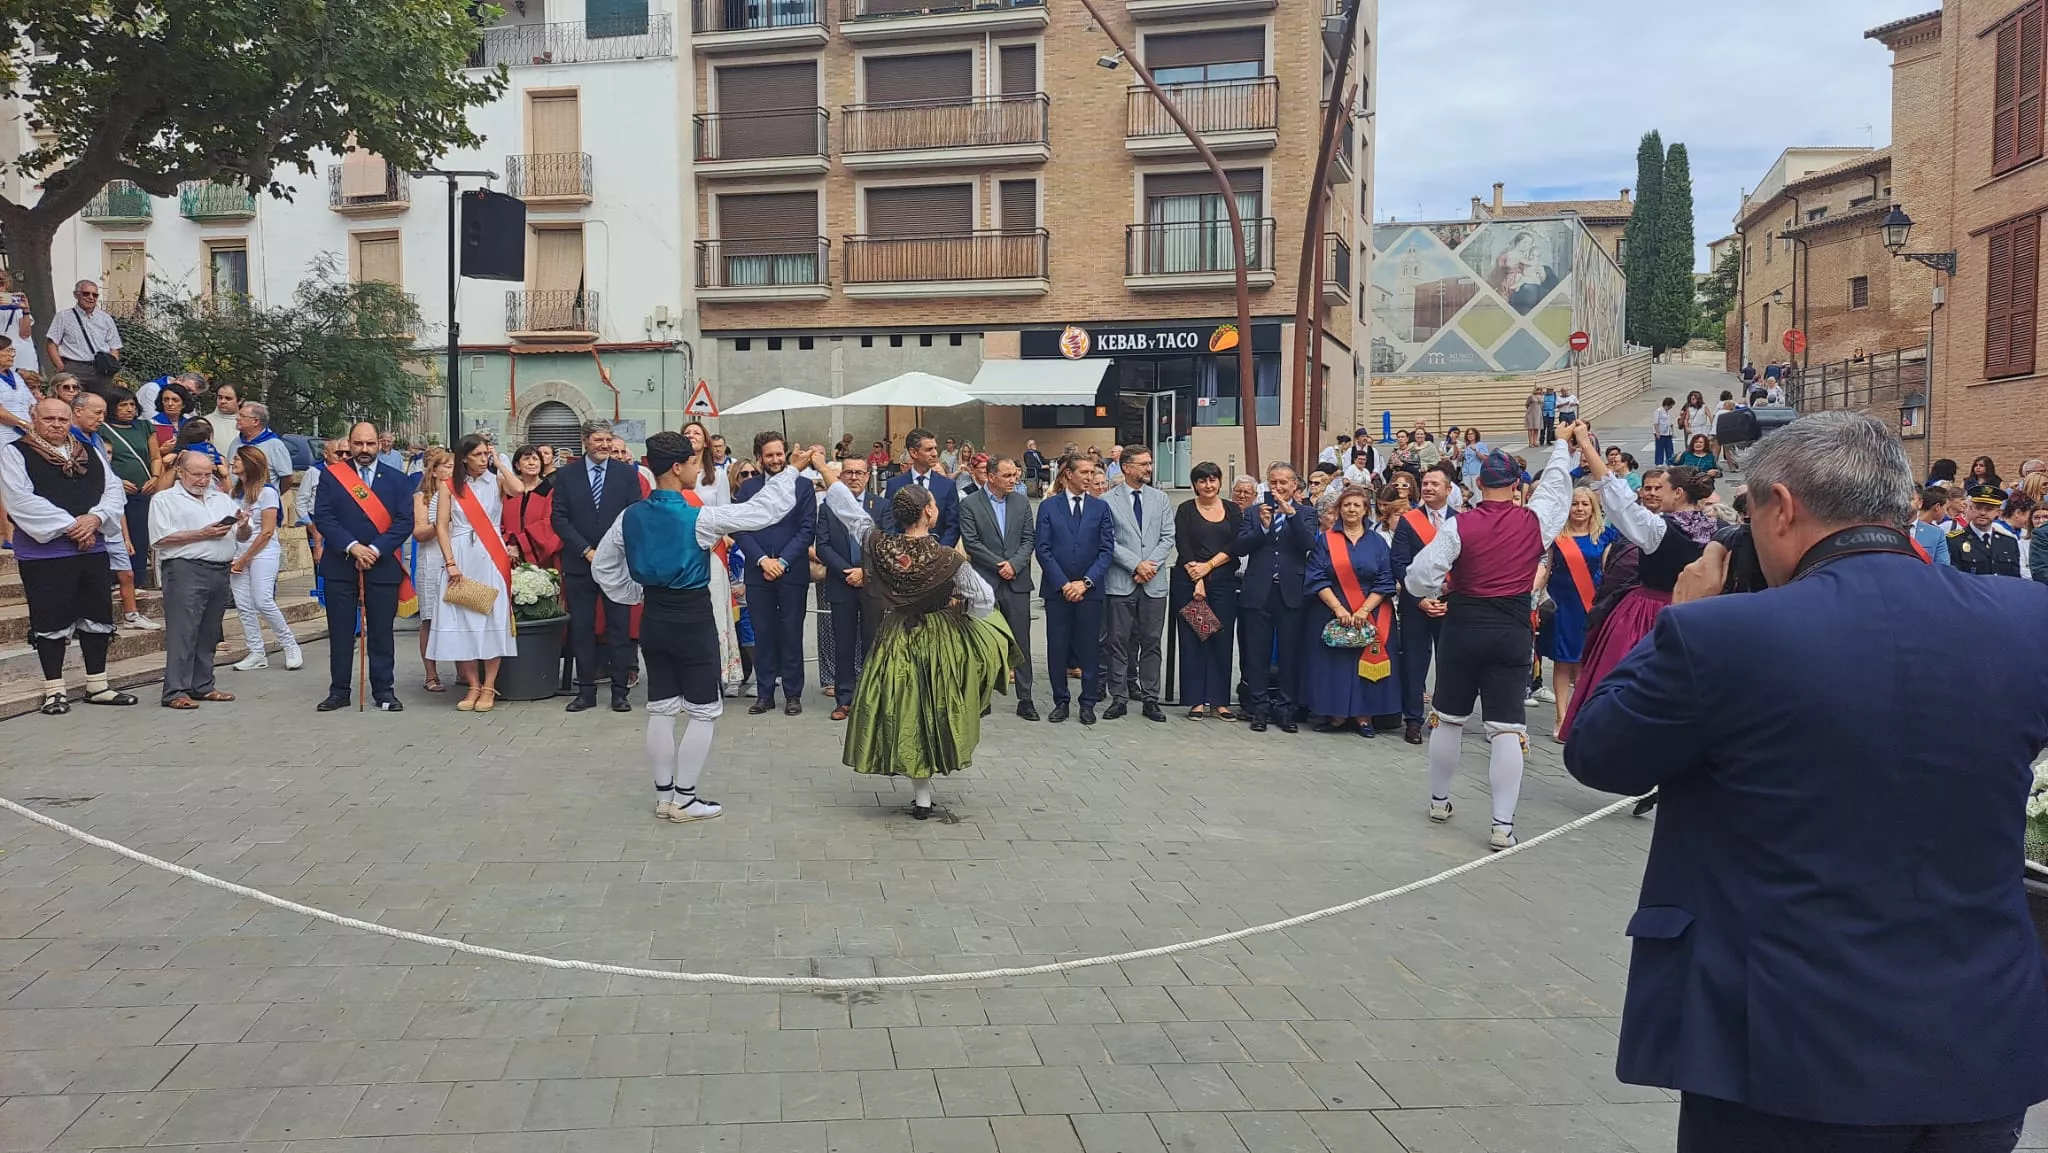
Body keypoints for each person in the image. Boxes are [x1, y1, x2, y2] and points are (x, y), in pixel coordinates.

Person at [1567, 411, 2048, 1153]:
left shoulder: (1724, 635)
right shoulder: (2026, 619)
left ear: (1783, 506)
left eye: (1751, 512)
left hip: (1789, 1053)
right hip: (1979, 1043)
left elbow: (1599, 750)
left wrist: (1682, 616)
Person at [592, 434, 819, 824]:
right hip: (692, 617)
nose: (699, 469)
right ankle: (685, 798)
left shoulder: (629, 516)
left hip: (654, 616)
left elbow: (604, 567)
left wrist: (634, 594)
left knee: (662, 707)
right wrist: (791, 473)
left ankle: (665, 796)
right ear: (678, 468)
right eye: (695, 462)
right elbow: (763, 511)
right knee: (703, 710)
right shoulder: (700, 517)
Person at [816, 458, 1018, 820]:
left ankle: (920, 794)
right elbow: (984, 598)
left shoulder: (878, 543)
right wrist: (969, 626)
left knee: (902, 709)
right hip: (938, 639)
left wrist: (823, 469)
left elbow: (849, 511)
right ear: (928, 511)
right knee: (933, 707)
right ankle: (925, 794)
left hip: (894, 636)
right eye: (934, 504)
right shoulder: (947, 559)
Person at [1405, 434, 1576, 850]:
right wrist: (1562, 446)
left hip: (1464, 626)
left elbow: (1419, 574)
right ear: (1516, 486)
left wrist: (1433, 591)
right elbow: (1556, 488)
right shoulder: (1535, 521)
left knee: (1449, 717)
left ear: (1478, 485)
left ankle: (1439, 800)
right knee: (1506, 727)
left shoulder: (1458, 524)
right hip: (1512, 629)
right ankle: (1502, 825)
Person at [1558, 454, 1718, 747]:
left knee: (1624, 678)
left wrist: (1584, 444)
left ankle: (1620, 741)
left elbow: (1617, 500)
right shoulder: (1714, 527)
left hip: (1649, 610)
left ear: (1678, 493)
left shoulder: (1659, 528)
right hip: (1699, 612)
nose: (1655, 493)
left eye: (1663, 488)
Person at [1, 397, 137, 712]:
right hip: (45, 553)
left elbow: (113, 489)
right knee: (50, 618)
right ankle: (55, 690)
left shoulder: (89, 450)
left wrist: (96, 519)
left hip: (92, 548)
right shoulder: (15, 452)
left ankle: (98, 685)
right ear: (34, 417)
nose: (57, 425)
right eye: (49, 419)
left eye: (62, 420)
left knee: (96, 614)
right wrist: (71, 526)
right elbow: (20, 499)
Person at [311, 421, 415, 712]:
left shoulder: (397, 479)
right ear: (350, 444)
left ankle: (384, 691)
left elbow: (404, 521)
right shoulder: (332, 477)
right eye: (358, 444)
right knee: (341, 631)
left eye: (370, 444)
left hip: (381, 565)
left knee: (381, 632)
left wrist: (374, 549)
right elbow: (324, 516)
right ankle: (339, 690)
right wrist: (352, 546)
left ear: (380, 443)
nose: (364, 450)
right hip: (340, 563)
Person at [427, 433, 528, 712]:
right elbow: (442, 526)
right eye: (478, 455)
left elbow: (519, 489)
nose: (483, 459)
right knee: (464, 620)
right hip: (460, 554)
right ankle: (472, 684)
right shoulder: (449, 486)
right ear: (464, 458)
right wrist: (450, 563)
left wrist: (499, 463)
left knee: (492, 617)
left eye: (486, 454)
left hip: (491, 555)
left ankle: (489, 686)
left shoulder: (496, 481)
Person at [552, 420, 646, 713]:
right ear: (585, 441)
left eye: (608, 440)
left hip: (616, 563)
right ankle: (586, 691)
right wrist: (585, 550)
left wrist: (609, 552)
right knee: (582, 628)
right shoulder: (567, 475)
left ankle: (620, 692)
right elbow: (559, 518)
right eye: (598, 440)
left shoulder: (625, 475)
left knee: (619, 628)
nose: (604, 445)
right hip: (581, 563)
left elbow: (634, 515)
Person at [148, 449, 245, 709]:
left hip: (219, 568)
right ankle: (175, 690)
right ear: (181, 472)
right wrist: (202, 534)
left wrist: (243, 524)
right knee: (183, 631)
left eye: (208, 474)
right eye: (197, 475)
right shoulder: (165, 499)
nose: (203, 480)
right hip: (185, 568)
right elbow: (160, 538)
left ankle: (202, 685)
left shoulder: (221, 498)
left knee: (209, 631)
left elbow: (242, 536)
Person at [1303, 484, 1400, 736]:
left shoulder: (1378, 542)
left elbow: (1386, 579)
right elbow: (1315, 577)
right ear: (1338, 509)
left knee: (1364, 664)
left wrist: (1363, 611)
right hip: (1333, 611)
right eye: (1347, 505)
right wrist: (1339, 609)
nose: (1351, 509)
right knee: (1336, 664)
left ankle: (1364, 717)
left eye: (1357, 505)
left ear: (1366, 509)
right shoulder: (1325, 541)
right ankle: (1335, 715)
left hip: (1372, 612)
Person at [735, 431, 816, 716]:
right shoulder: (748, 488)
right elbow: (739, 527)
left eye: (779, 454)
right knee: (763, 632)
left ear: (787, 455)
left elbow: (807, 530)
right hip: (758, 574)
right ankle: (765, 693)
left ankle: (793, 694)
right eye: (769, 455)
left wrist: (782, 561)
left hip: (792, 572)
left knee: (791, 632)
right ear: (760, 458)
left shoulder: (803, 487)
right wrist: (761, 560)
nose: (775, 459)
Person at [1235, 461, 1315, 733]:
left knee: (1290, 655)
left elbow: (1309, 544)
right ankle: (1259, 708)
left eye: (1284, 483)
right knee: (1256, 654)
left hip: (1291, 593)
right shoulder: (1255, 512)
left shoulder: (1305, 512)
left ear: (1294, 485)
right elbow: (1241, 546)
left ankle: (1285, 708)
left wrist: (1290, 514)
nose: (1278, 488)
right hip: (1260, 591)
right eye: (1273, 482)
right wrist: (1264, 528)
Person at [1036, 452, 1114, 725]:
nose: (1090, 478)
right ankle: (1061, 700)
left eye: (1093, 473)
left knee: (1089, 647)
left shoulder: (1100, 508)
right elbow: (1043, 549)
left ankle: (1088, 702)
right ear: (1068, 474)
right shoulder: (1048, 507)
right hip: (1058, 590)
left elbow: (1106, 550)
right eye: (1085, 473)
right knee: (1057, 647)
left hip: (1089, 591)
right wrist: (1064, 584)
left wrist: (1086, 582)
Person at [1536, 486, 1619, 740]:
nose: (1580, 509)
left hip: (1590, 604)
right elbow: (1545, 569)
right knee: (1562, 662)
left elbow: (1609, 572)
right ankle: (1561, 718)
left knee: (1585, 662)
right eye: (1575, 504)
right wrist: (1532, 596)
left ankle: (1580, 717)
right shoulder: (1557, 535)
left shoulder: (1604, 535)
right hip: (1562, 605)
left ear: (1593, 508)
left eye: (1585, 504)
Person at [960, 454, 1039, 721]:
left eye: (1015, 475)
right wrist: (998, 564)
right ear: (990, 476)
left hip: (1016, 581)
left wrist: (1014, 565)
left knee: (1022, 641)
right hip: (986, 582)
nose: (1013, 480)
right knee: (984, 641)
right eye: (1007, 475)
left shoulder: (1021, 501)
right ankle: (983, 698)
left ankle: (1025, 698)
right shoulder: (971, 504)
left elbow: (1029, 538)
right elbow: (971, 543)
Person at [1100, 445, 1174, 723]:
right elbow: (1109, 540)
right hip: (1121, 581)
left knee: (1151, 641)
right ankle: (1118, 697)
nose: (1148, 468)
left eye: (1149, 463)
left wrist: (1150, 565)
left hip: (1153, 582)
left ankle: (1150, 697)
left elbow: (1168, 536)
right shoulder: (1107, 501)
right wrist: (1135, 564)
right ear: (1126, 467)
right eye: (1143, 464)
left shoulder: (1161, 499)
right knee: (1118, 641)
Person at [68, 393, 151, 632]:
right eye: (97, 413)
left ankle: (128, 615)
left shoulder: (96, 437)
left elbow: (109, 481)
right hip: (83, 517)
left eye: (104, 413)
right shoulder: (69, 439)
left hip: (107, 514)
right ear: (78, 411)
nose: (101, 419)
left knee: (123, 572)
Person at [1391, 462, 1459, 744]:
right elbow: (1398, 563)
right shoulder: (1409, 521)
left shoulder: (1461, 519)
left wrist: (1450, 593)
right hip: (1415, 606)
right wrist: (1419, 599)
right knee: (1414, 663)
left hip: (1449, 605)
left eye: (1435, 484)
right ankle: (1413, 720)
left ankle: (1444, 717)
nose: (1429, 488)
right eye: (1426, 484)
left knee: (1450, 664)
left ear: (1448, 488)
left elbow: (1468, 563)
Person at [219, 444, 302, 672]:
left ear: (250, 463)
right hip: (239, 550)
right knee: (244, 605)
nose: (232, 462)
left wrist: (245, 559)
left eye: (237, 459)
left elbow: (266, 531)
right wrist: (242, 530)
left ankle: (290, 644)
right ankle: (256, 651)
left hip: (263, 551)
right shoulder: (234, 494)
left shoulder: (267, 493)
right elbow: (240, 531)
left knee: (263, 600)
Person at [1171, 461, 1241, 721]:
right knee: (1194, 641)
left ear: (1220, 482)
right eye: (1202, 481)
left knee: (1220, 640)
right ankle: (1196, 701)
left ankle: (1220, 702)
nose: (1208, 485)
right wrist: (1197, 578)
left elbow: (1237, 544)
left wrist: (1209, 567)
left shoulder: (1232, 510)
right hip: (1190, 584)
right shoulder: (1186, 509)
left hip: (1223, 582)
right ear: (1195, 485)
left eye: (1212, 479)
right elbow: (1183, 544)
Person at [815, 453, 880, 722]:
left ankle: (871, 699)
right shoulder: (828, 506)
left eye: (859, 472)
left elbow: (885, 542)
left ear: (867, 476)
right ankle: (845, 700)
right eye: (849, 473)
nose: (854, 477)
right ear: (841, 477)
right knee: (842, 644)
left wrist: (865, 573)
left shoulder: (881, 505)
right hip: (842, 584)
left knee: (872, 643)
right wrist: (847, 573)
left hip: (872, 586)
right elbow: (823, 546)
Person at [101, 386, 159, 594]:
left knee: (140, 534)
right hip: (117, 489)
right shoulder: (103, 429)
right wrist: (118, 481)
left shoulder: (144, 426)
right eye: (123, 405)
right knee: (117, 534)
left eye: (132, 404)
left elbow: (155, 456)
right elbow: (102, 459)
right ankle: (116, 579)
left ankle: (138, 579)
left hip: (143, 489)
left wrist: (155, 477)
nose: (129, 409)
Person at [411, 448, 452, 693]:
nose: (450, 470)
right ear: (434, 471)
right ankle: (431, 673)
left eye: (453, 466)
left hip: (455, 556)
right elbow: (419, 532)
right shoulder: (422, 497)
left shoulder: (461, 493)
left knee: (459, 611)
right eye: (446, 466)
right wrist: (441, 521)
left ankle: (462, 670)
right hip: (432, 556)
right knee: (429, 616)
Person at [43, 280, 122, 397]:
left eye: (95, 295)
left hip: (100, 369)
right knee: (71, 402)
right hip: (73, 367)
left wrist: (110, 365)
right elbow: (51, 343)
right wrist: (61, 367)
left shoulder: (106, 318)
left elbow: (114, 345)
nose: (91, 297)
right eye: (86, 293)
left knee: (101, 403)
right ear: (76, 295)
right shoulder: (63, 316)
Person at [883, 428, 960, 546]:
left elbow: (953, 526)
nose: (935, 453)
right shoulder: (894, 485)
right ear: (913, 452)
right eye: (929, 449)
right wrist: (903, 553)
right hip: (903, 556)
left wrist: (940, 553)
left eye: (935, 448)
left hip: (939, 556)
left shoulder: (948, 485)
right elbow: (889, 523)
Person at [502, 445, 560, 568]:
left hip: (541, 557)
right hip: (507, 553)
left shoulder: (550, 490)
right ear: (517, 465)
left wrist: (520, 544)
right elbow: (497, 519)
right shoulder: (509, 491)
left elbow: (550, 522)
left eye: (535, 459)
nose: (531, 463)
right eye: (526, 459)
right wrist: (510, 543)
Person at [1949, 485, 2023, 577]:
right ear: (1970, 508)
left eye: (1989, 509)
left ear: (1998, 512)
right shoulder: (1953, 541)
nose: (1982, 513)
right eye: (1978, 508)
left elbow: (2015, 578)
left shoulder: (2009, 542)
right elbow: (1953, 578)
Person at [234, 401, 296, 493]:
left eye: (242, 416)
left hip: (262, 502)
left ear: (255, 421)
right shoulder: (236, 442)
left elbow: (287, 478)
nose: (237, 419)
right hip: (237, 499)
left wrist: (275, 494)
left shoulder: (275, 445)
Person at [1910, 487, 1953, 567]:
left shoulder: (1936, 533)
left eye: (1910, 499)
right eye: (1945, 508)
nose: (1946, 512)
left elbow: (1943, 567)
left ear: (1920, 503)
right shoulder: (1888, 529)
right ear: (1937, 506)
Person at [205, 382, 243, 464]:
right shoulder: (205, 422)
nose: (223, 401)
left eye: (228, 398)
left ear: (239, 401)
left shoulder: (247, 423)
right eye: (220, 397)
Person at [1652, 397, 1677, 466]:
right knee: (1660, 448)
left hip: (1667, 432)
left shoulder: (1667, 412)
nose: (1671, 407)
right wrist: (1657, 433)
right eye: (1671, 405)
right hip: (1661, 432)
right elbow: (1655, 422)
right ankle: (1659, 462)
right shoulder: (1658, 411)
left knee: (1669, 448)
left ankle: (1670, 462)